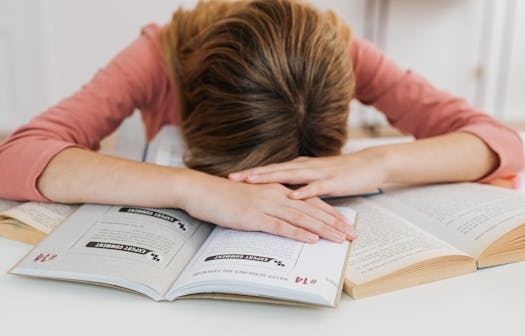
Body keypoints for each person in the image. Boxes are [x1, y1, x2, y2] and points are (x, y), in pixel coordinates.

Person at [0, 0, 523, 244]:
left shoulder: (339, 50)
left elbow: (503, 141)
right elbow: (15, 156)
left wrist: (375, 162)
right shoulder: (159, 53)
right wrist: (191, 188)